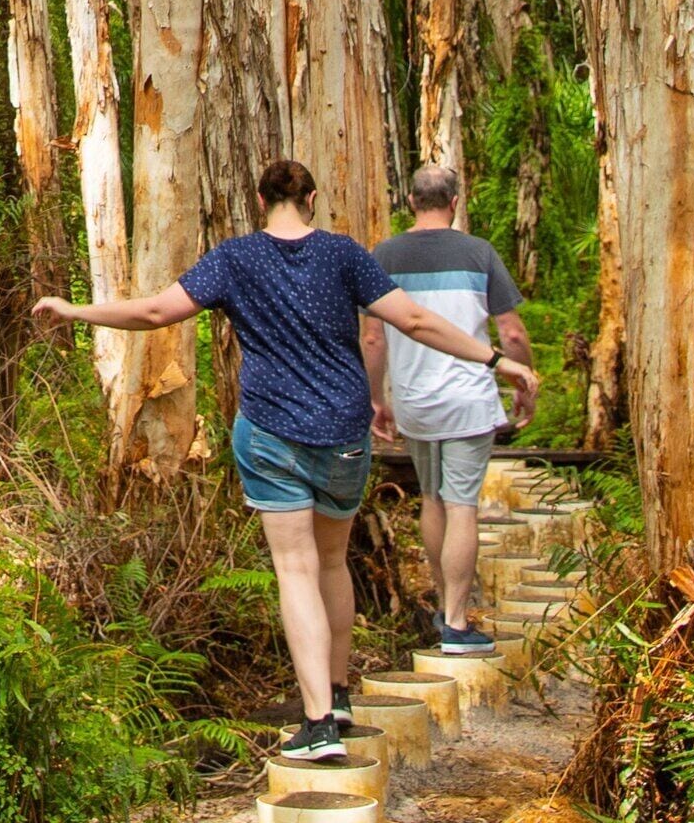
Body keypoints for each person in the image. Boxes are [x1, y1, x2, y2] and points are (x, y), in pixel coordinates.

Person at [33, 157, 535, 767]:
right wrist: (494, 361)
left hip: (271, 431)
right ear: (313, 197)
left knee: (295, 569)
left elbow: (156, 313)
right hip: (344, 434)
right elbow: (416, 320)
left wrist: (75, 310)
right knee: (330, 561)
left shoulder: (236, 258)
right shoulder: (343, 254)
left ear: (261, 200)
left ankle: (318, 722)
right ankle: (340, 695)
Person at [362, 164, 537, 658]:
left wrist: (377, 398)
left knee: (433, 499)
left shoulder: (385, 255)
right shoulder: (478, 252)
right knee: (461, 503)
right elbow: (513, 333)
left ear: (413, 202)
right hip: (467, 399)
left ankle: (445, 606)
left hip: (415, 401)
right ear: (454, 202)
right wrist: (522, 380)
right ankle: (457, 624)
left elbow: (373, 336)